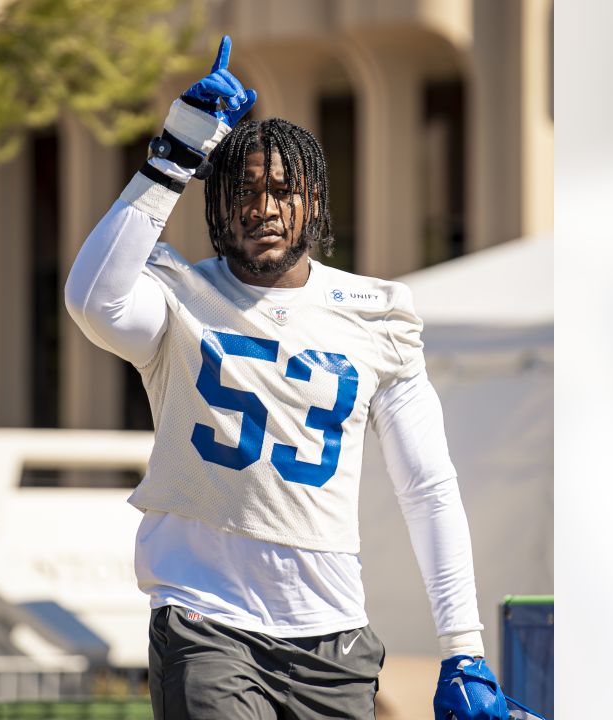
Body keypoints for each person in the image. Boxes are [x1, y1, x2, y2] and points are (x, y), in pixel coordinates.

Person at [65, 35, 511, 720]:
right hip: (206, 621)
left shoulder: (377, 313)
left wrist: (464, 646)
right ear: (217, 205)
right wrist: (176, 153)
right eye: (243, 191)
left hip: (331, 637)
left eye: (282, 190)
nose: (263, 208)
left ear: (313, 203)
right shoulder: (179, 297)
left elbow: (427, 486)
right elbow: (93, 300)